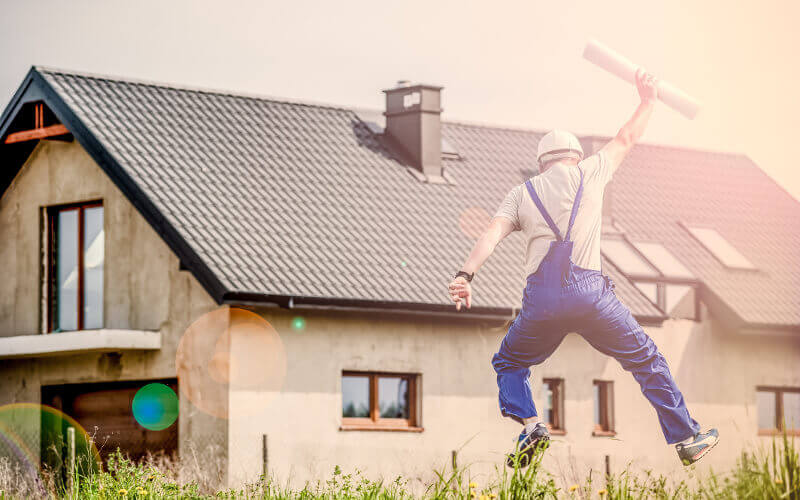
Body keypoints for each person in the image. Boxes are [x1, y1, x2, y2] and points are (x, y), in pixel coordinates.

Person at [448, 69, 718, 468]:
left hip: (542, 303)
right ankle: (687, 437)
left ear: (541, 163)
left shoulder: (521, 193)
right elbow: (627, 137)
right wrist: (647, 100)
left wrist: (465, 276)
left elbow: (490, 234)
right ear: (574, 155)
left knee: (509, 362)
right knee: (645, 360)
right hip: (592, 297)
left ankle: (532, 426)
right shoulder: (590, 171)